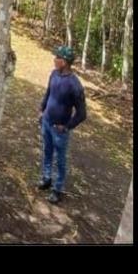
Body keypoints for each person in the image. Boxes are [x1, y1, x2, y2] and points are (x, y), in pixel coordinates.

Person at [38, 46, 88, 205]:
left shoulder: (75, 85)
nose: (54, 59)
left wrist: (66, 126)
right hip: (46, 122)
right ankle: (46, 178)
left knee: (60, 160)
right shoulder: (54, 74)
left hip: (59, 130)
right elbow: (48, 93)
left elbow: (81, 114)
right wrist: (41, 109)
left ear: (65, 62)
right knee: (47, 151)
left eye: (57, 57)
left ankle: (57, 189)